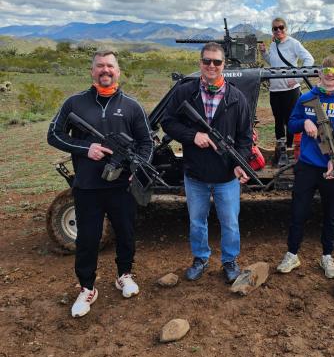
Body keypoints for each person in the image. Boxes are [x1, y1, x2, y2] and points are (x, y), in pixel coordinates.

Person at [47, 50, 153, 317]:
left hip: (121, 187)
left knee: (126, 233)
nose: (105, 70)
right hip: (87, 187)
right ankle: (86, 288)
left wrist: (136, 168)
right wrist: (87, 148)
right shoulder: (75, 103)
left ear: (118, 71)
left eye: (110, 66)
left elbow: (146, 143)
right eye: (100, 66)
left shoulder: (132, 106)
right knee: (87, 239)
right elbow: (54, 135)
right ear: (92, 71)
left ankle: (124, 275)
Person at [161, 42, 252, 284]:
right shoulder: (185, 92)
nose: (212, 66)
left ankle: (230, 261)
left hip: (226, 176)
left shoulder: (237, 98)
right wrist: (194, 136)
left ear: (224, 65)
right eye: (207, 61)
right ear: (200, 63)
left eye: (217, 62)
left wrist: (239, 163)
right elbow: (168, 122)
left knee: (230, 223)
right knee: (196, 221)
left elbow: (244, 138)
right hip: (195, 175)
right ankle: (200, 258)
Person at [277, 56, 334, 277]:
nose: (330, 74)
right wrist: (304, 123)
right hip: (307, 166)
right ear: (319, 74)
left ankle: (327, 257)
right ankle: (292, 254)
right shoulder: (306, 98)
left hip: (332, 168)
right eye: (326, 70)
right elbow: (291, 123)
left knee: (331, 214)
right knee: (298, 212)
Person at [259, 17, 314, 152]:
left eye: (281, 27)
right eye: (275, 28)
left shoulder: (293, 43)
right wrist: (264, 53)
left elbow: (309, 59)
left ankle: (290, 148)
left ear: (286, 28)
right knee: (278, 120)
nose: (278, 30)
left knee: (291, 120)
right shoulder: (273, 44)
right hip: (275, 89)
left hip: (291, 89)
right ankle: (280, 148)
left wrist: (298, 79)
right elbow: (274, 63)